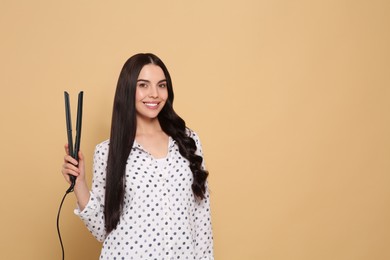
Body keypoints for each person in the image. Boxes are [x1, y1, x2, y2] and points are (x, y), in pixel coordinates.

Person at [61, 53, 214, 259]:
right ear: (128, 89)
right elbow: (102, 229)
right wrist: (80, 184)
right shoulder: (108, 151)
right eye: (143, 85)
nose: (154, 94)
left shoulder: (188, 142)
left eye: (161, 85)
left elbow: (202, 220)